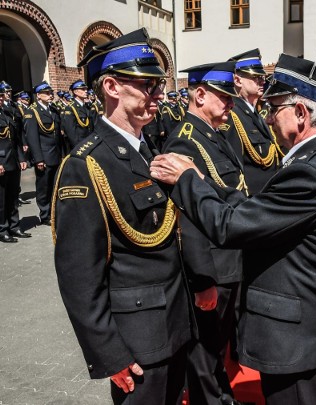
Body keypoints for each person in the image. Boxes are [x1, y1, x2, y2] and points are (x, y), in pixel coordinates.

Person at [150, 53, 316, 405]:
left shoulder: (310, 172)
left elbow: (231, 225)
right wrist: (203, 182)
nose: (269, 117)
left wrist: (186, 179)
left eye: (275, 108)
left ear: (302, 114)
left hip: (293, 336)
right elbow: (254, 208)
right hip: (297, 329)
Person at [52, 28, 192, 405]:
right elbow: (79, 273)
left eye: (158, 85)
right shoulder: (86, 166)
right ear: (112, 87)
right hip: (138, 344)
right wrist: (108, 352)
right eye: (148, 85)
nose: (158, 95)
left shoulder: (147, 150)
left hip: (176, 323)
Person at [162, 61, 247, 405]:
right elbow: (187, 217)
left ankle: (222, 397)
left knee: (217, 345)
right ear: (199, 94)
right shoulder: (184, 143)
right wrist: (202, 279)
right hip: (211, 267)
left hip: (229, 259)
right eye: (223, 97)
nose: (230, 104)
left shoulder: (214, 135)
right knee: (204, 350)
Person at [220, 48, 282, 196]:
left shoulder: (255, 113)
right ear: (237, 80)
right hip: (252, 198)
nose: (262, 81)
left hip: (267, 194)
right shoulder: (232, 115)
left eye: (262, 77)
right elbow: (234, 168)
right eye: (256, 77)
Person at [24, 81, 63, 226]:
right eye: (46, 93)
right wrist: (38, 159)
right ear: (38, 96)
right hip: (44, 157)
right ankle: (45, 214)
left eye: (50, 92)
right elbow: (32, 138)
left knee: (54, 186)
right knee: (43, 187)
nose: (50, 95)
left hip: (55, 154)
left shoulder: (53, 110)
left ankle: (54, 212)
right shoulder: (32, 112)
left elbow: (58, 136)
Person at [0, 88, 29, 243]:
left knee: (12, 197)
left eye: (0, 95)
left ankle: (14, 226)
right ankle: (2, 229)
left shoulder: (6, 113)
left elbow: (15, 139)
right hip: (1, 164)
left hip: (13, 162)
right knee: (2, 200)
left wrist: (21, 158)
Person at [62, 79, 94, 148]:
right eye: (83, 89)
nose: (86, 91)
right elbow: (70, 131)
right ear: (75, 92)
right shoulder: (70, 108)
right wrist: (78, 146)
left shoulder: (87, 106)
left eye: (86, 89)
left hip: (90, 141)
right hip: (79, 143)